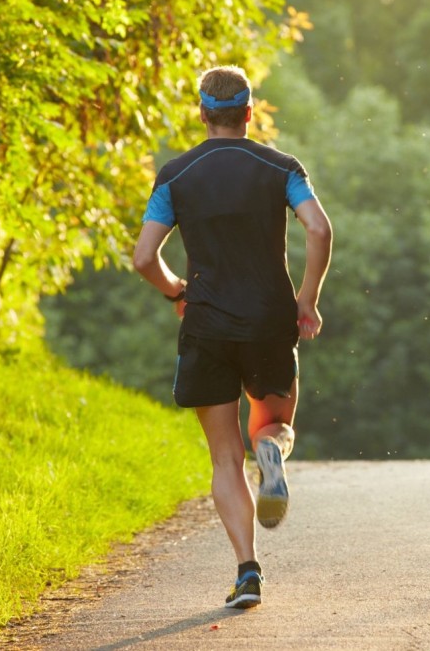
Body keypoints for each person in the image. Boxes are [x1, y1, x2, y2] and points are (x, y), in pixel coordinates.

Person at [132, 65, 332, 610]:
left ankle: (248, 572)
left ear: (202, 113)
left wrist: (178, 291)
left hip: (207, 327)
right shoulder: (280, 167)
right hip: (269, 320)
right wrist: (307, 300)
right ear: (249, 112)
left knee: (224, 457)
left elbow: (144, 257)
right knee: (274, 423)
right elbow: (319, 228)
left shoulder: (176, 175)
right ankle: (272, 450)